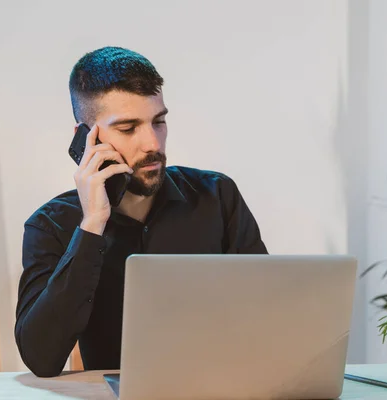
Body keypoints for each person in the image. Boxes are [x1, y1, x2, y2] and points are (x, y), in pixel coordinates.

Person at [14, 46, 267, 377]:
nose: (153, 143)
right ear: (85, 139)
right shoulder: (50, 225)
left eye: (158, 121)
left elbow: (265, 313)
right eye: (128, 127)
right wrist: (92, 225)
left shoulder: (217, 196)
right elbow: (40, 359)